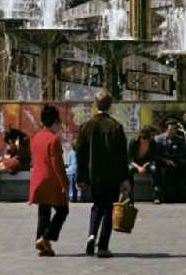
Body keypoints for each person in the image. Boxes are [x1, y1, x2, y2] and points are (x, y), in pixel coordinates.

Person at [75, 88, 130, 259]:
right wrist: (125, 178)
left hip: (94, 175)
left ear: (95, 104)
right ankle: (103, 246)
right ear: (110, 106)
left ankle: (91, 235)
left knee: (97, 205)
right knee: (108, 209)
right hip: (112, 175)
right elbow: (122, 156)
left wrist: (80, 177)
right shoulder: (116, 126)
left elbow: (80, 154)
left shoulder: (86, 126)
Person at [29, 105, 69, 257]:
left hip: (38, 181)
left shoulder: (37, 137)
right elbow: (58, 165)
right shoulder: (54, 140)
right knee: (63, 210)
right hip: (51, 182)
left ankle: (42, 247)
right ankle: (45, 238)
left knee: (44, 213)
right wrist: (65, 184)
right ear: (55, 121)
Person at [154, 119, 186, 203]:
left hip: (175, 161)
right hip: (162, 162)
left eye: (174, 129)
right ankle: (160, 196)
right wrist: (165, 160)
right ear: (166, 129)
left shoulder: (179, 139)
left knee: (184, 167)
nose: (172, 131)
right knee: (164, 171)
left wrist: (177, 161)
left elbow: (182, 153)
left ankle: (179, 195)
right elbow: (156, 155)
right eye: (170, 129)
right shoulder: (158, 139)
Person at [127, 126, 157, 200]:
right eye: (152, 135)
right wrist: (138, 167)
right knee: (129, 170)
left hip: (146, 162)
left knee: (154, 169)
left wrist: (145, 165)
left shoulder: (152, 143)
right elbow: (129, 158)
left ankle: (156, 195)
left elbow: (152, 158)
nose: (154, 137)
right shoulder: (133, 142)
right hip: (135, 163)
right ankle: (129, 196)